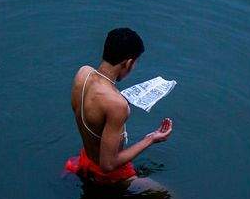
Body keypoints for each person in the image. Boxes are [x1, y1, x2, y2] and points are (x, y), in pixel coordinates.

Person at [65, 27, 173, 188]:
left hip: (86, 157)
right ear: (128, 63)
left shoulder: (83, 73)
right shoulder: (117, 105)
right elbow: (107, 165)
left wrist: (116, 101)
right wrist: (150, 139)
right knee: (172, 198)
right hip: (109, 176)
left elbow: (95, 107)